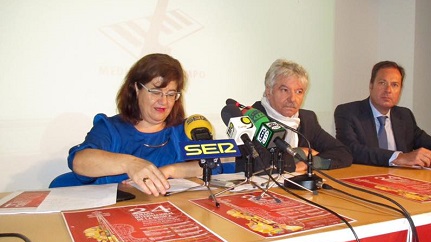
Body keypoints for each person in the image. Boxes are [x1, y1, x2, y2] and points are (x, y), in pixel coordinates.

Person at [49, 53, 203, 196]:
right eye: (156, 92)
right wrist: (130, 164)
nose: (164, 101)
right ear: (136, 88)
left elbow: (214, 165)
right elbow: (79, 162)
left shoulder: (184, 130)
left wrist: (170, 170)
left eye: (171, 94)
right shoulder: (110, 129)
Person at [334, 60, 431, 167]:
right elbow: (351, 150)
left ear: (400, 90)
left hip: (401, 183)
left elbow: (428, 143)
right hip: (364, 182)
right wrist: (400, 157)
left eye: (395, 85)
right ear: (371, 85)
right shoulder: (348, 112)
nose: (388, 90)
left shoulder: (404, 115)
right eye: (382, 83)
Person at [238, 59, 352, 174]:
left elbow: (343, 153)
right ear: (269, 91)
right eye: (285, 90)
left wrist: (309, 163)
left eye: (299, 92)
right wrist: (302, 153)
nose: (292, 99)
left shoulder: (307, 119)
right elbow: (262, 165)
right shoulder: (252, 118)